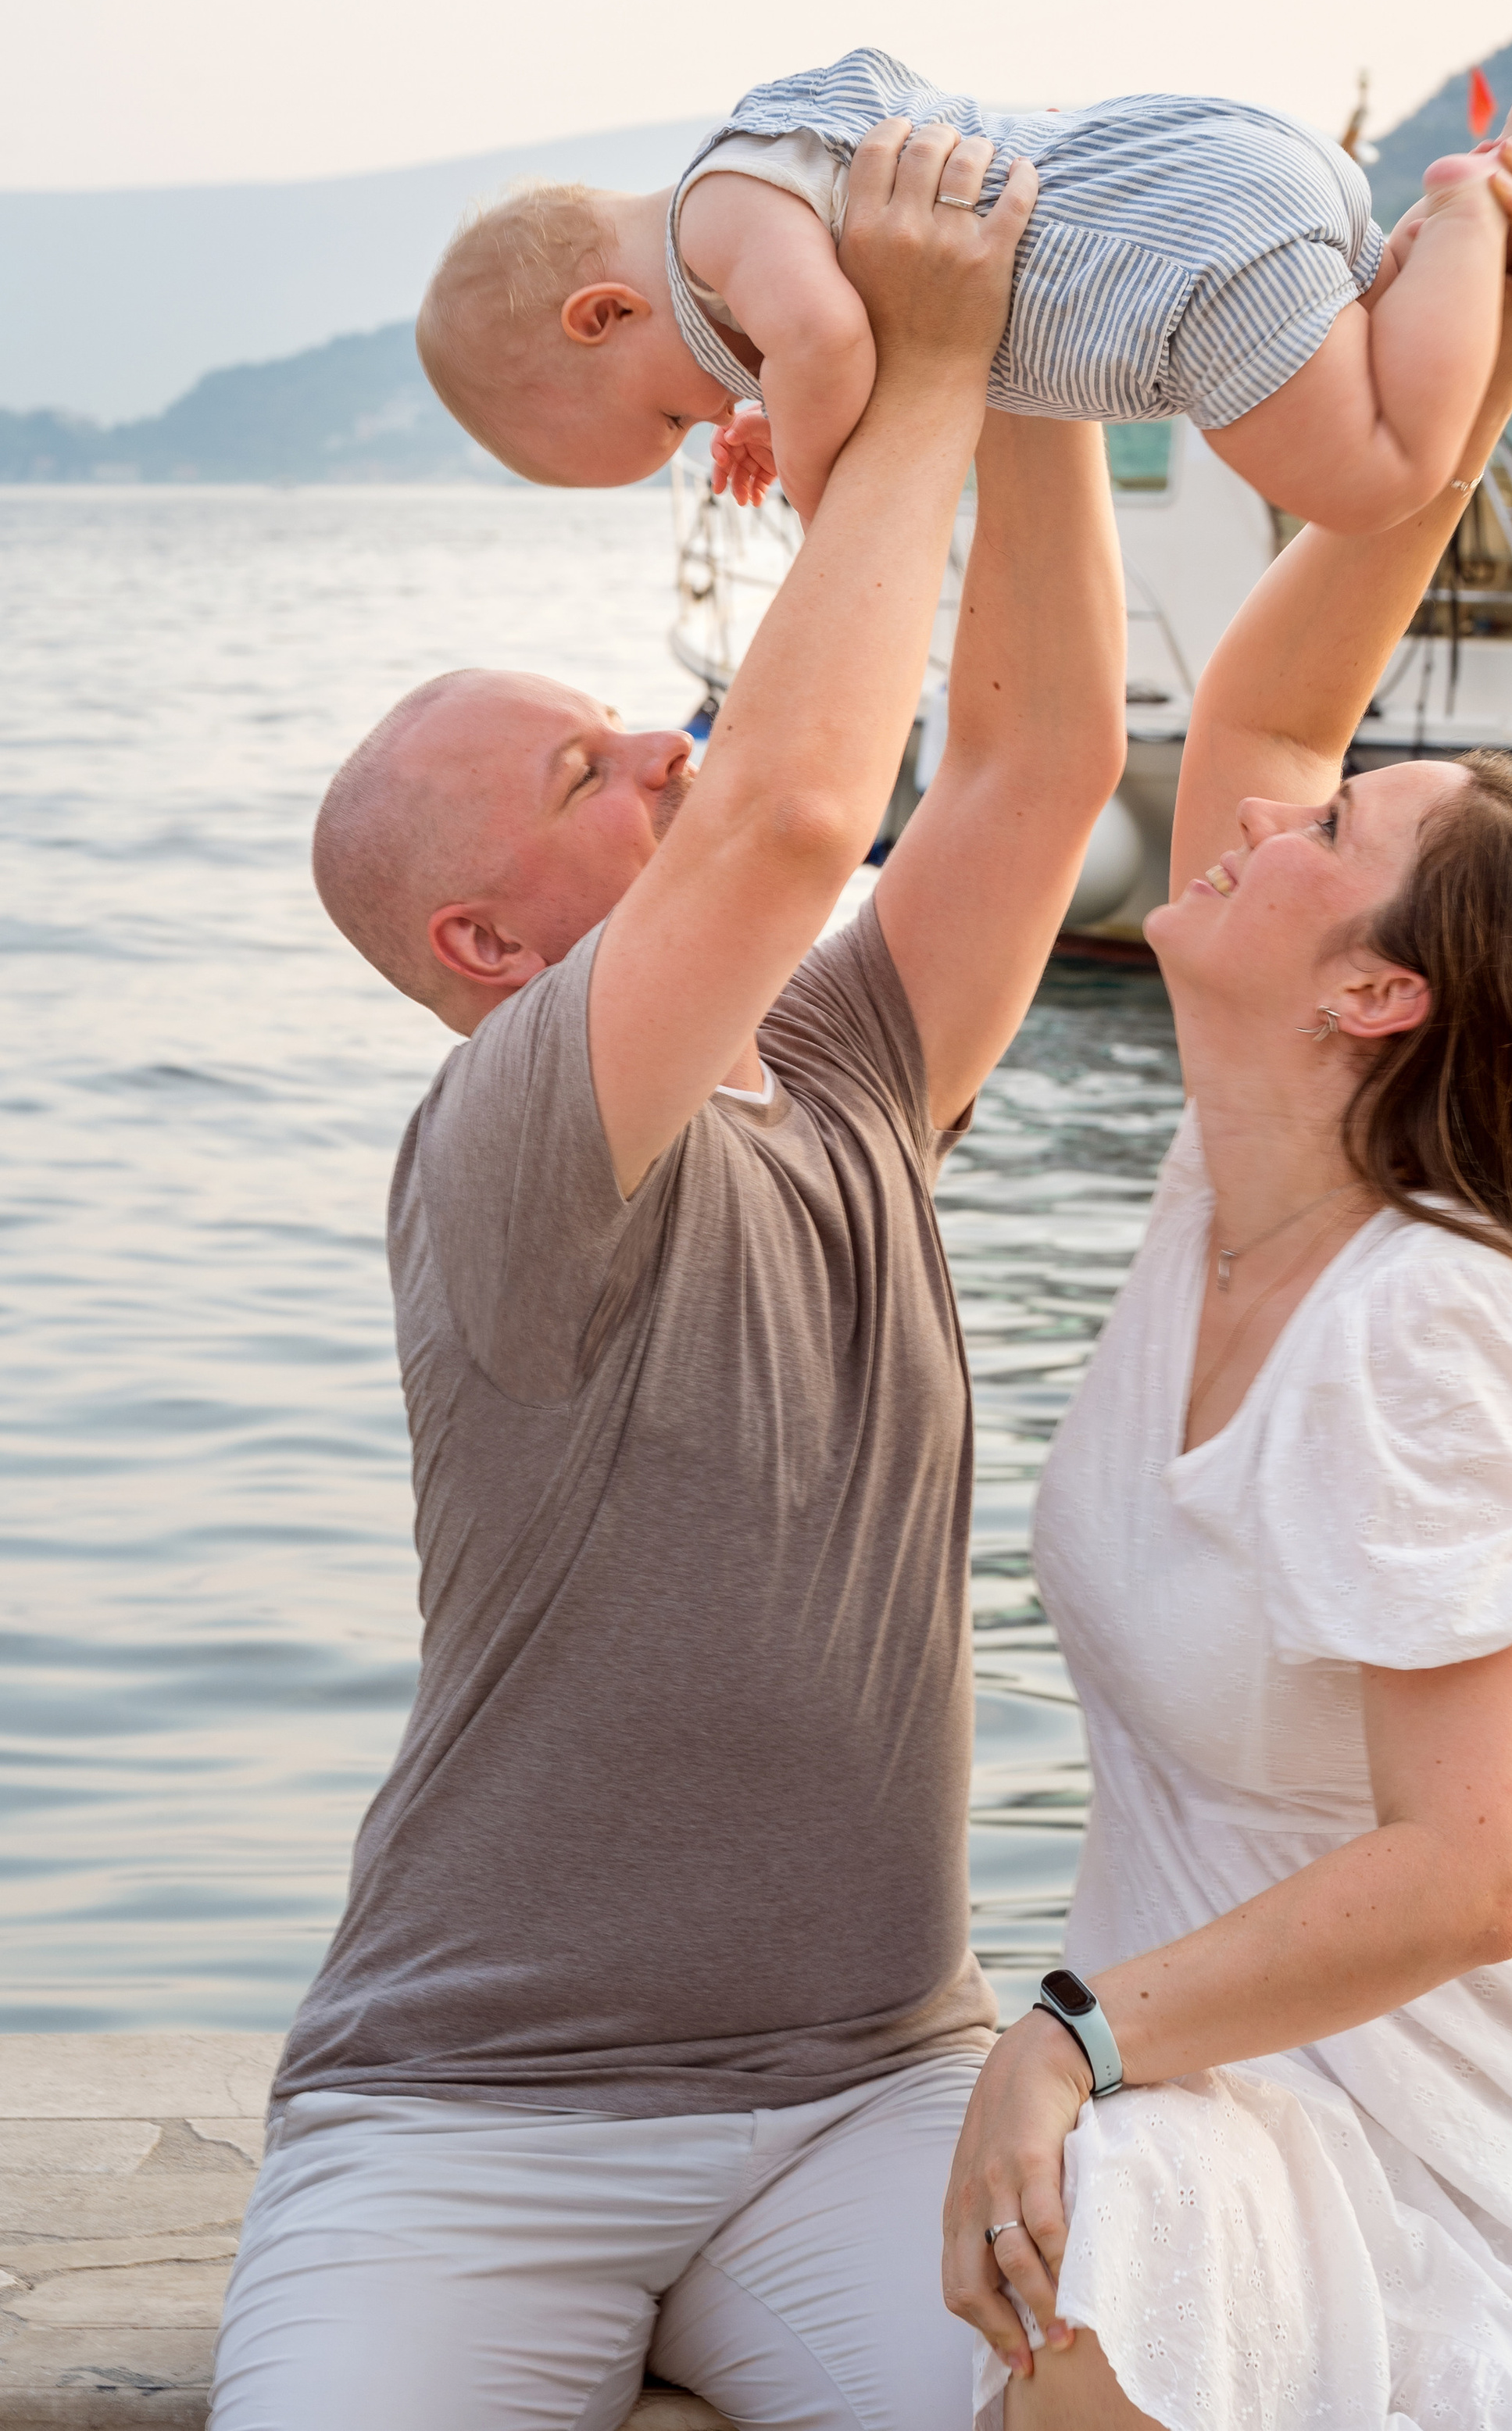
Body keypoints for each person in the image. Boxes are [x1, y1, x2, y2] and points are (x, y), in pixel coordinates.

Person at [207, 119, 1132, 2431]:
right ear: (487, 947)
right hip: (468, 2118)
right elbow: (801, 811)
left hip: (862, 2090)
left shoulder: (830, 1069)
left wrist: (1026, 349)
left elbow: (1033, 769)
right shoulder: (508, 1133)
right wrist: (906, 369)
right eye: (583, 764)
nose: (659, 736)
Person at [938, 129, 1512, 2431]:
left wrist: (1073, 2024)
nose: (1255, 809)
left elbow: (1477, 1867)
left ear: (1377, 1002)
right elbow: (1264, 711)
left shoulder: (1429, 1323)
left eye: (1326, 835)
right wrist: (1480, 356)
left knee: (1091, 2221)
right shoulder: (1222, 1184)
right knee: (1092, 2237)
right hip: (1291, 2091)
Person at [413, 45, 1512, 531]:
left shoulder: (718, 209)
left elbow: (819, 336)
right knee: (1383, 379)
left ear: (604, 311)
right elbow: (816, 328)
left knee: (1374, 480)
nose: (707, 425)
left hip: (1176, 261)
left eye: (669, 420)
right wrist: (767, 403)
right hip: (1214, 168)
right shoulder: (760, 187)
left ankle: (1475, 198)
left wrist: (825, 490)